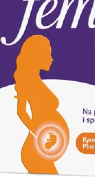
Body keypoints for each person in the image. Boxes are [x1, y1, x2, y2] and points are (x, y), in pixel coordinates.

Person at [14, 35, 68, 174]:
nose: (51, 59)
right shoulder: (28, 81)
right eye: (47, 55)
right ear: (36, 57)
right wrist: (41, 134)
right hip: (35, 151)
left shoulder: (35, 80)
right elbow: (21, 112)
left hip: (41, 149)